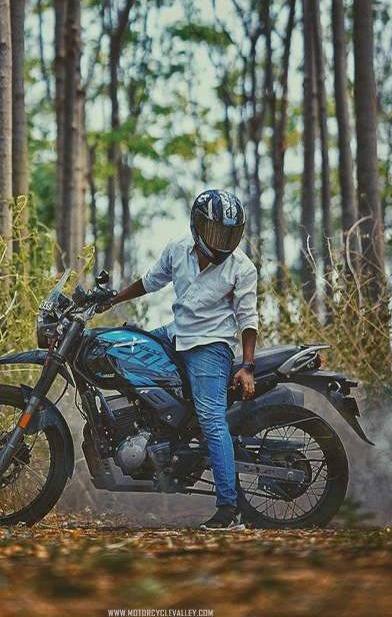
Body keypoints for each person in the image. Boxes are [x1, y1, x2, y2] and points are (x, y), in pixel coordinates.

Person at [110, 189, 258, 531]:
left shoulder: (242, 267)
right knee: (121, 349)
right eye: (215, 232)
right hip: (175, 332)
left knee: (211, 418)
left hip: (211, 345)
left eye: (228, 234)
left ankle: (228, 509)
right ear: (198, 226)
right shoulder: (177, 249)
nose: (221, 241)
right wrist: (112, 301)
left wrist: (247, 367)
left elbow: (248, 320)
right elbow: (150, 282)